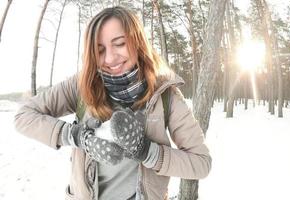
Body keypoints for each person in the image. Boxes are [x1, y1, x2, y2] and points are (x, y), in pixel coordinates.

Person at [14, 6, 211, 200]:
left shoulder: (166, 96)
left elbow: (202, 164)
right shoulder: (82, 85)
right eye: (100, 50)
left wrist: (146, 151)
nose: (110, 58)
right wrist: (79, 137)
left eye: (119, 44)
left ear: (137, 42)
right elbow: (24, 116)